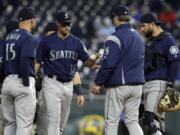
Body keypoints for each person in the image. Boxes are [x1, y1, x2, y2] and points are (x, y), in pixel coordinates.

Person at [35, 10, 99, 135]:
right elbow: (37, 61)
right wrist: (31, 80)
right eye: (64, 24)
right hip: (51, 83)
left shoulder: (77, 42)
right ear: (58, 24)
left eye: (69, 24)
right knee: (53, 121)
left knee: (60, 125)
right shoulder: (47, 41)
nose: (67, 26)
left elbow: (87, 63)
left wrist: (94, 59)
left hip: (68, 85)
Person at [90, 5, 145, 135]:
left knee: (112, 121)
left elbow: (109, 64)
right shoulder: (139, 38)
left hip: (120, 86)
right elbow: (126, 60)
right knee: (132, 121)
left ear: (116, 18)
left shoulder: (114, 37)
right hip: (137, 86)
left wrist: (98, 82)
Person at [139, 13, 180, 135]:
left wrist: (170, 85)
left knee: (150, 120)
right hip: (147, 83)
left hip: (158, 84)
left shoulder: (167, 39)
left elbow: (175, 60)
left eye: (143, 26)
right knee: (152, 123)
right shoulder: (150, 42)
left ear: (152, 24)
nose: (141, 29)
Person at [1, 7, 37, 135]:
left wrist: (3, 82)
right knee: (24, 124)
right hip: (21, 81)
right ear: (32, 21)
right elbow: (24, 61)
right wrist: (26, 83)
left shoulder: (9, 36)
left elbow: (3, 63)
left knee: (10, 123)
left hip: (7, 82)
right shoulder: (28, 36)